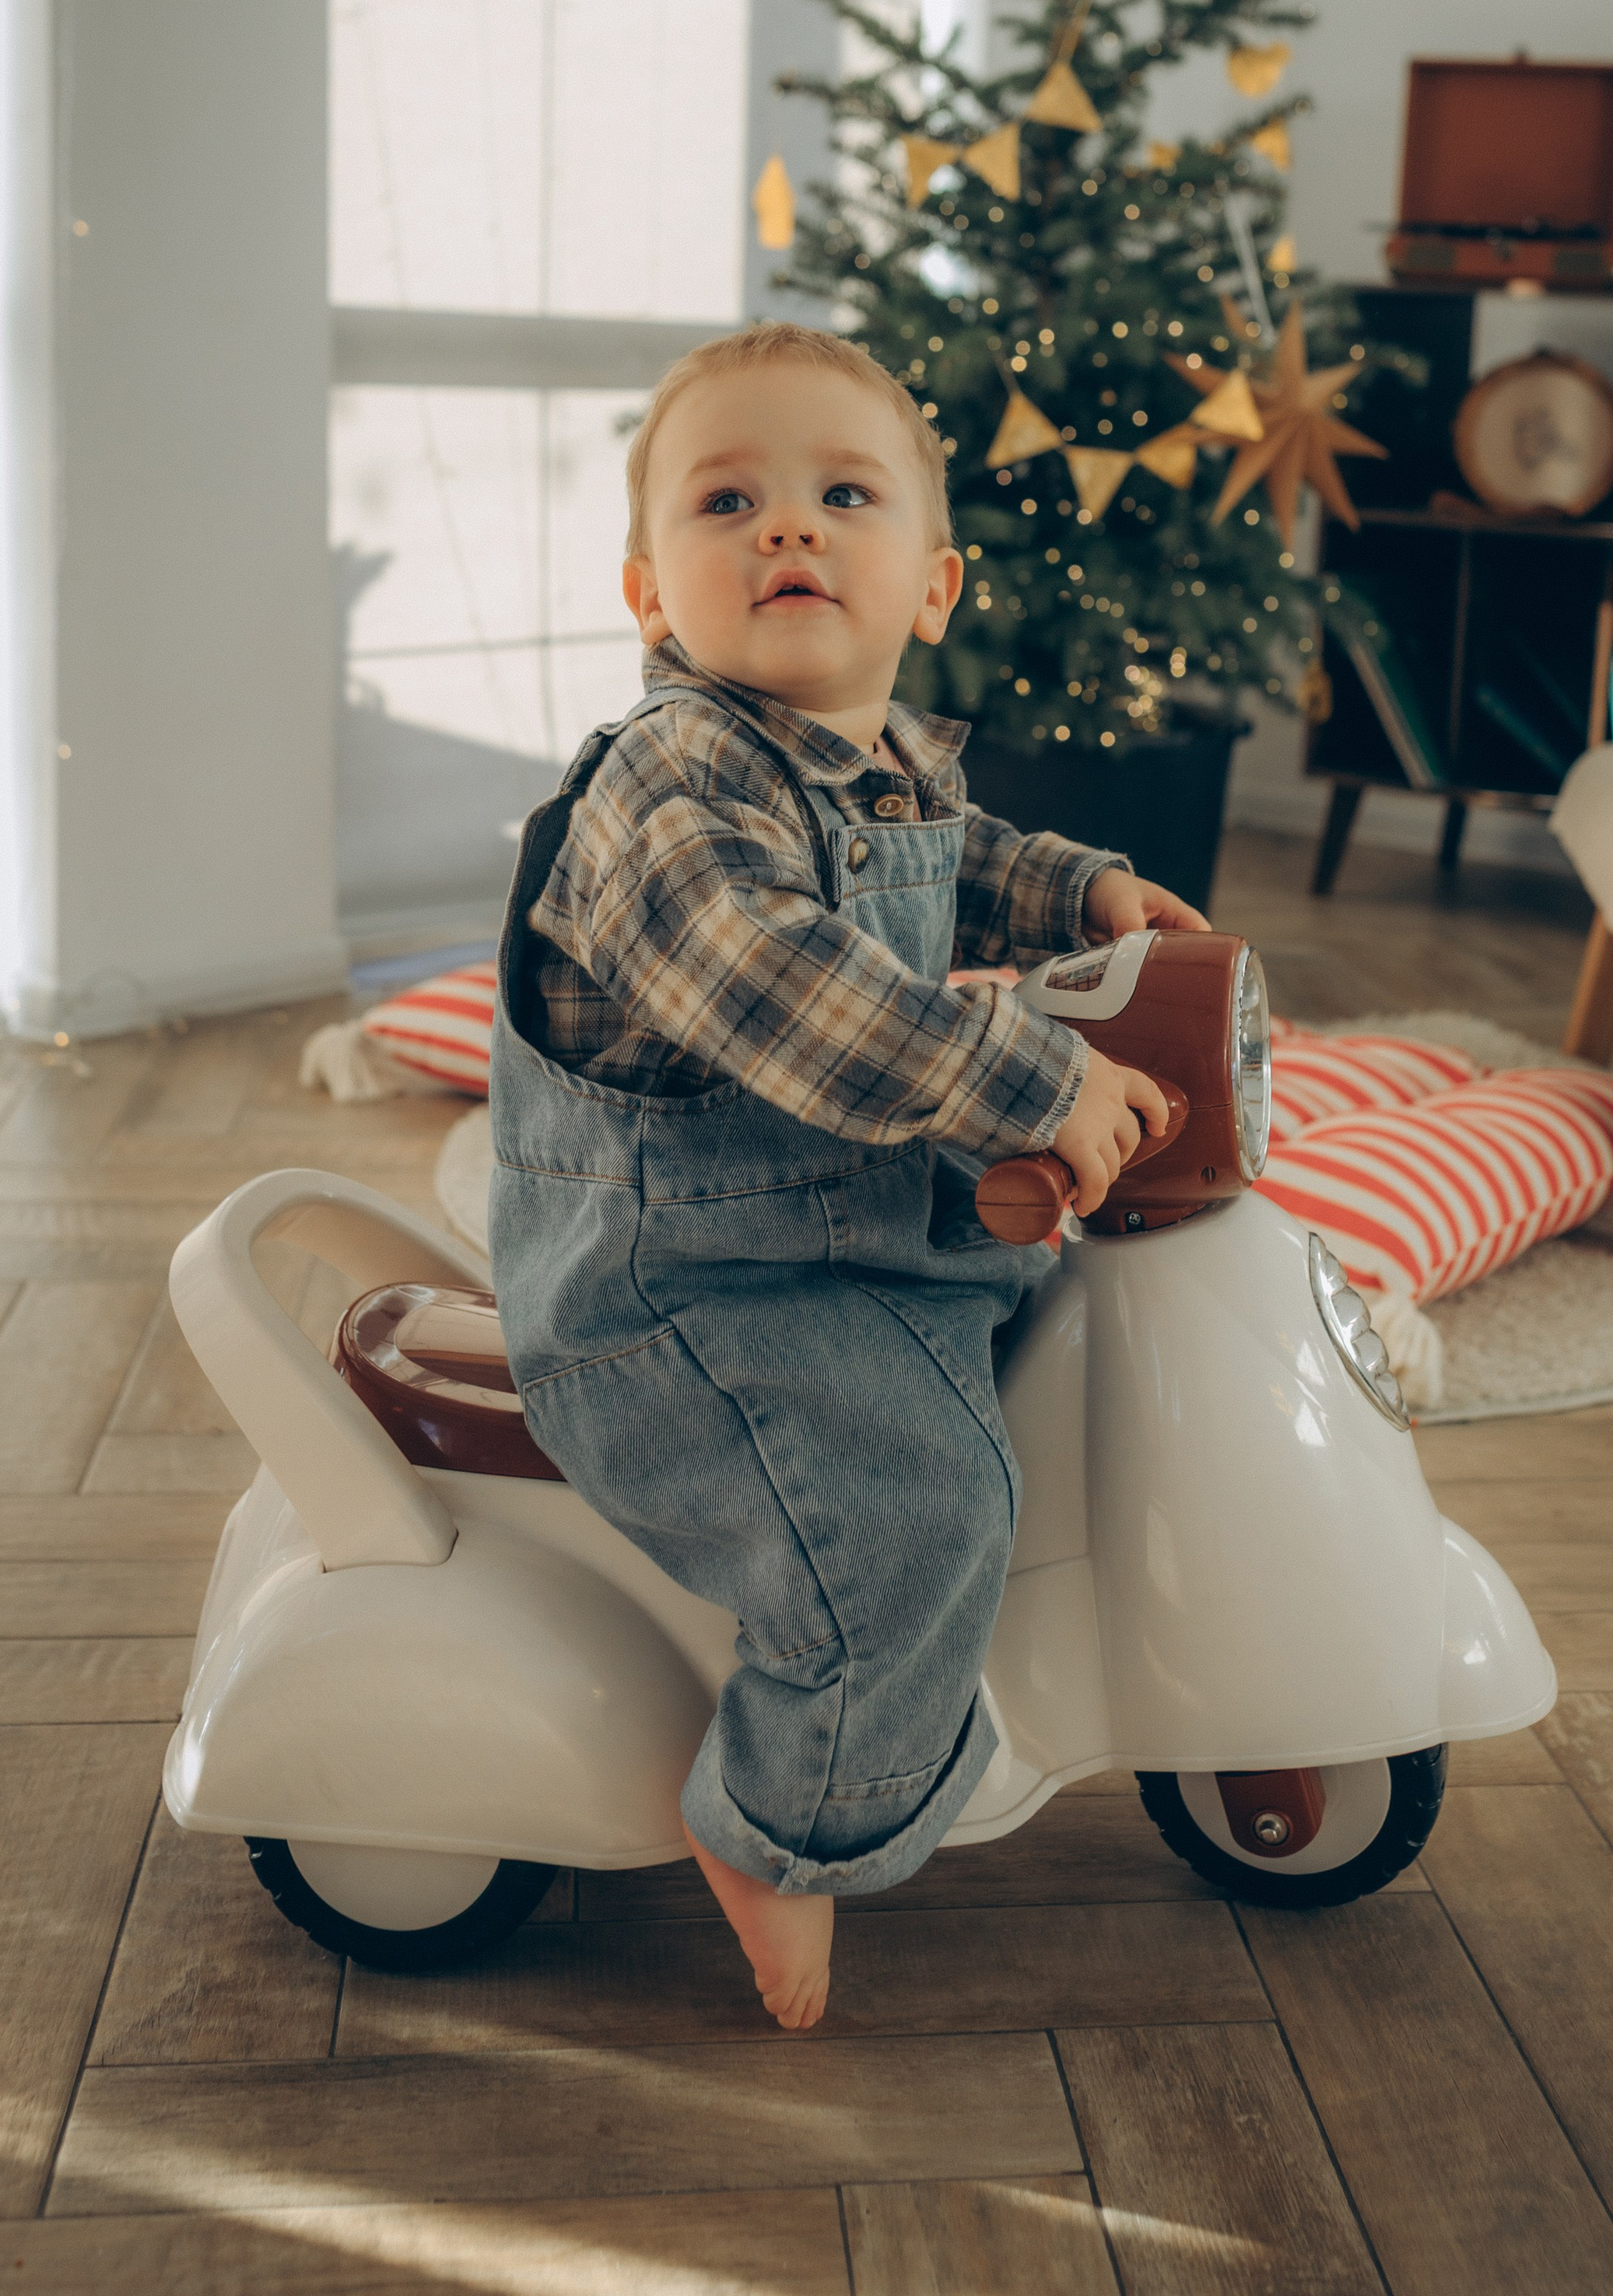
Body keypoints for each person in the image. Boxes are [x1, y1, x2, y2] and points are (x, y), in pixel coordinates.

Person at [488, 323, 1206, 2030]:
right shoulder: (669, 783)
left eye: (840, 496)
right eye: (726, 500)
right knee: (915, 1516)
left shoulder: (876, 761)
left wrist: (1084, 898)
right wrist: (1034, 1078)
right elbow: (769, 974)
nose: (786, 531)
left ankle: (999, 1664)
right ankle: (780, 1825)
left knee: (1069, 1306)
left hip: (832, 1240)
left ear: (932, 582)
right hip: (680, 1302)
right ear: (648, 592)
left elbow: (962, 868)